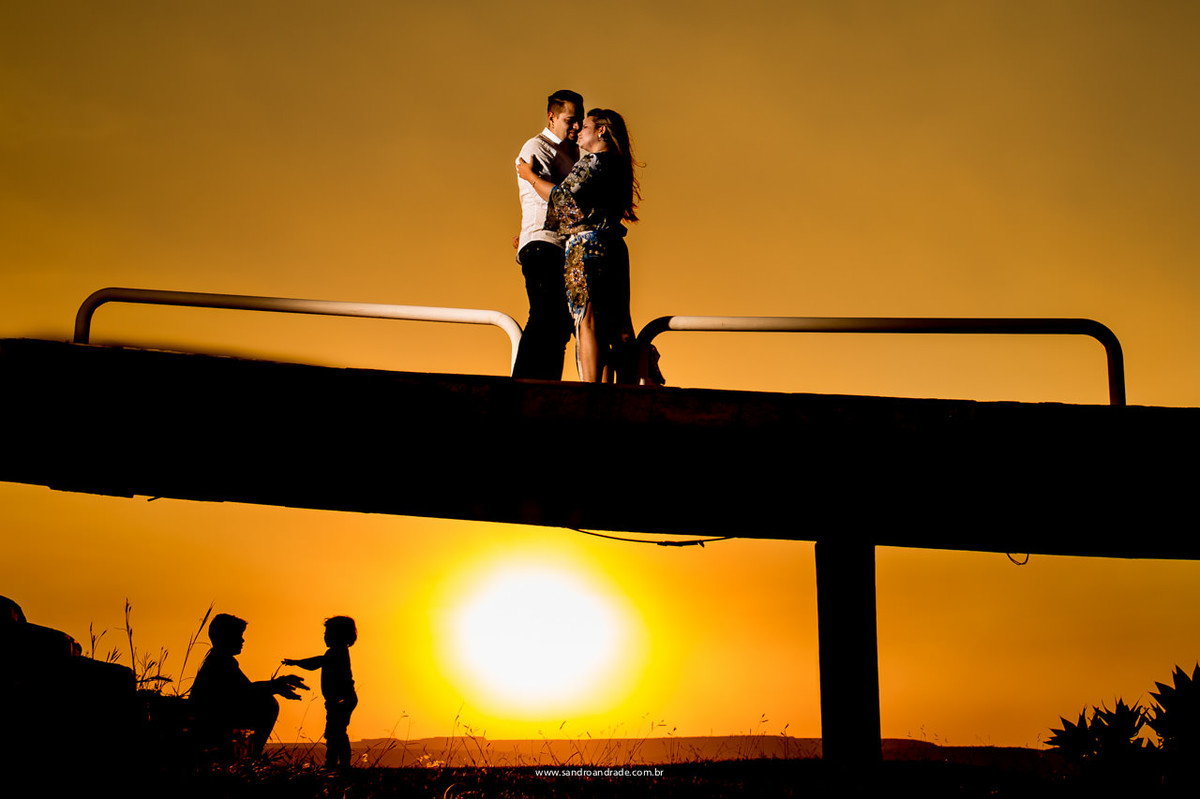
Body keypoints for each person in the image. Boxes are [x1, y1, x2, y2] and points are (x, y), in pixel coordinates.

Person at [518, 108, 640, 382]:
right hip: (615, 248)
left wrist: (530, 176)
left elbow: (562, 199)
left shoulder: (592, 163)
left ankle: (592, 391)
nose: (578, 131)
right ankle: (625, 386)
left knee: (587, 321)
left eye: (585, 126)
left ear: (601, 131)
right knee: (617, 323)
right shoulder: (618, 167)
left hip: (587, 249)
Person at [512, 89, 584, 380]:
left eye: (579, 120)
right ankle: (524, 388)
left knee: (558, 323)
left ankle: (547, 387)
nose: (576, 126)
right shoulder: (537, 147)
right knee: (544, 316)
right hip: (543, 244)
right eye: (570, 120)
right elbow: (554, 201)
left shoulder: (571, 154)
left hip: (560, 247)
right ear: (552, 118)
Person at [190, 613, 308, 759]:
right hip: (212, 721)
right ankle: (251, 756)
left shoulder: (219, 660)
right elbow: (247, 690)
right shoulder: (222, 662)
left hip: (212, 718)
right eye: (238, 635)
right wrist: (276, 685)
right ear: (225, 637)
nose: (242, 640)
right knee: (267, 704)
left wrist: (276, 685)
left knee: (266, 701)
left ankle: (249, 754)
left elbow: (246, 688)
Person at [282, 616, 358, 770]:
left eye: (328, 632)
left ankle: (337, 764)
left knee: (336, 733)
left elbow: (316, 662)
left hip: (341, 699)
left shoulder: (336, 652)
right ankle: (337, 764)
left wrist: (296, 663)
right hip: (339, 699)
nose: (325, 636)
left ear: (339, 635)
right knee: (335, 732)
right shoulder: (335, 652)